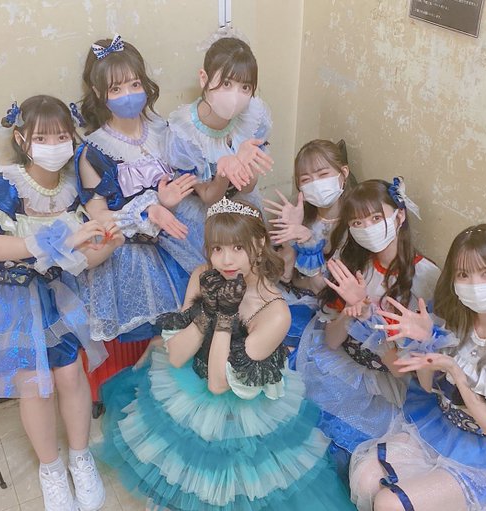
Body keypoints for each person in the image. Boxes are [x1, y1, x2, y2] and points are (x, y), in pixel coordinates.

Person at [96, 197, 356, 510]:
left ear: (259, 244)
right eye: (217, 248)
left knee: (236, 486)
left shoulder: (275, 312)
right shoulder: (203, 275)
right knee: (184, 470)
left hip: (242, 402)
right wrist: (206, 309)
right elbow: (176, 357)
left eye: (237, 247)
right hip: (193, 376)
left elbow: (219, 384)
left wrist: (225, 315)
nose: (225, 260)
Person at [0, 96, 120, 511]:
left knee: (70, 374)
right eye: (42, 137)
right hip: (9, 296)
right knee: (34, 385)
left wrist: (107, 243)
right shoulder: (6, 185)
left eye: (61, 136)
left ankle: (80, 458)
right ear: (22, 139)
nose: (53, 145)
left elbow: (79, 256)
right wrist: (57, 241)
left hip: (56, 293)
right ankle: (50, 469)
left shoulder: (71, 188)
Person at [349, 224, 486, 511]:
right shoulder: (449, 320)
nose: (474, 284)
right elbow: (427, 386)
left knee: (390, 503)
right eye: (463, 274)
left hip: (481, 452)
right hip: (437, 426)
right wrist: (426, 344)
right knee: (365, 478)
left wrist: (456, 372)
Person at [296, 178, 440, 477]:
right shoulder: (354, 264)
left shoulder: (425, 277)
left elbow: (402, 369)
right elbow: (332, 341)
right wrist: (352, 313)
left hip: (386, 382)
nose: (367, 228)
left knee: (349, 458)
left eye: (376, 218)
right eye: (357, 223)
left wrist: (369, 316)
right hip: (343, 363)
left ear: (399, 216)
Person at [76, 34, 200, 346]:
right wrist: (148, 211)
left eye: (134, 84)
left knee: (201, 316)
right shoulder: (94, 151)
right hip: (133, 254)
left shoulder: (164, 130)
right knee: (160, 338)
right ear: (98, 92)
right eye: (116, 89)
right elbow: (98, 214)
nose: (128, 95)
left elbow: (189, 181)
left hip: (183, 234)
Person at [164, 35, 274, 257]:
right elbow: (208, 197)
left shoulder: (253, 116)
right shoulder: (184, 133)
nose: (235, 96)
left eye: (245, 87)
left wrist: (243, 162)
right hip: (204, 209)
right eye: (226, 83)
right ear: (204, 78)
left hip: (239, 201)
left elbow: (247, 188)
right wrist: (223, 172)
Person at [266, 139, 356, 351]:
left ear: (343, 173)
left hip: (324, 306)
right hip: (289, 294)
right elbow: (284, 275)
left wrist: (309, 244)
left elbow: (323, 291)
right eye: (306, 179)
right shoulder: (300, 212)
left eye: (323, 174)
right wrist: (290, 236)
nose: (316, 184)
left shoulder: (356, 224)